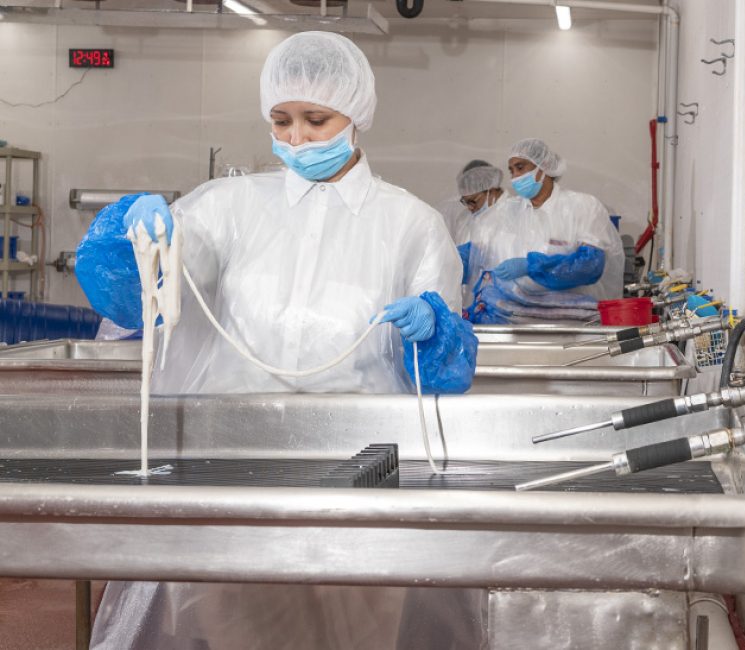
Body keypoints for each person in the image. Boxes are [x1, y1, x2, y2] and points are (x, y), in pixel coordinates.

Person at [75, 31, 479, 648]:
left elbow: (447, 368)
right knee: (234, 628)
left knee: (354, 630)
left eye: (316, 120)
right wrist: (131, 244)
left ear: (357, 114)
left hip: (362, 476)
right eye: (281, 120)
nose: (296, 138)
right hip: (231, 467)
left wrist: (436, 330)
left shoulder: (410, 225)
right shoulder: (229, 208)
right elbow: (145, 294)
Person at [466, 138, 624, 324]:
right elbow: (479, 251)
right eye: (511, 171)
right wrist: (453, 255)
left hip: (576, 325)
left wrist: (531, 266)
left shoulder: (582, 207)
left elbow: (590, 267)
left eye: (520, 167)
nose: (515, 177)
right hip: (519, 323)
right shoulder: (508, 211)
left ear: (544, 167)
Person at [437, 159, 506, 287]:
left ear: (490, 190)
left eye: (472, 201)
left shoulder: (514, 215)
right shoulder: (466, 218)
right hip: (472, 299)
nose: (469, 207)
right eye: (465, 202)